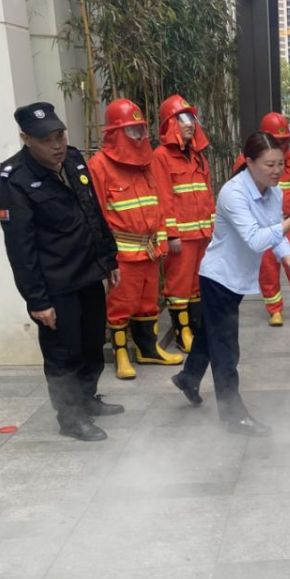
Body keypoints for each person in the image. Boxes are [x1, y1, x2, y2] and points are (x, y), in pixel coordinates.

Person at [172, 132, 290, 435]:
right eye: (269, 164)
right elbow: (255, 239)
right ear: (250, 162)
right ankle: (234, 416)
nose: (277, 170)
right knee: (226, 348)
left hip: (238, 278)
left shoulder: (273, 192)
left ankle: (188, 377)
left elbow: (274, 233)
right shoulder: (233, 193)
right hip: (219, 278)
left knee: (210, 334)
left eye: (280, 164)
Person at [0, 102, 123, 441]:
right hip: (56, 284)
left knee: (92, 344)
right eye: (46, 140)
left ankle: (87, 398)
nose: (57, 145)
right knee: (64, 354)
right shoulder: (13, 179)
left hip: (88, 273)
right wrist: (37, 300)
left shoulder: (74, 160)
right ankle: (70, 417)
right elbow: (20, 247)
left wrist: (108, 259)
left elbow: (93, 211)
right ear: (26, 139)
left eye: (59, 135)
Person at [89, 99, 184, 379]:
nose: (140, 136)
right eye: (133, 130)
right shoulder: (99, 165)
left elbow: (161, 204)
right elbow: (96, 215)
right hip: (123, 253)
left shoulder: (149, 162)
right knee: (121, 304)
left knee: (148, 302)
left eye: (141, 129)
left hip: (150, 250)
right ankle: (121, 354)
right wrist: (106, 258)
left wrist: (162, 242)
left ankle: (148, 349)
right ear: (116, 132)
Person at [234, 113, 290, 327]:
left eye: (285, 140)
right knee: (267, 269)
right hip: (261, 225)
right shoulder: (245, 161)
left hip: (287, 221)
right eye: (278, 140)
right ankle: (274, 310)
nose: (283, 145)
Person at [154, 94, 214, 353]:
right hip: (181, 238)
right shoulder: (161, 156)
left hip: (201, 234)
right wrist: (171, 234)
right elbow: (163, 197)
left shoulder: (198, 156)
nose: (190, 124)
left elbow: (208, 194)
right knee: (178, 285)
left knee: (197, 283)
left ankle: (196, 328)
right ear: (170, 124)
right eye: (182, 119)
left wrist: (212, 229)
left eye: (191, 118)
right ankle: (182, 333)